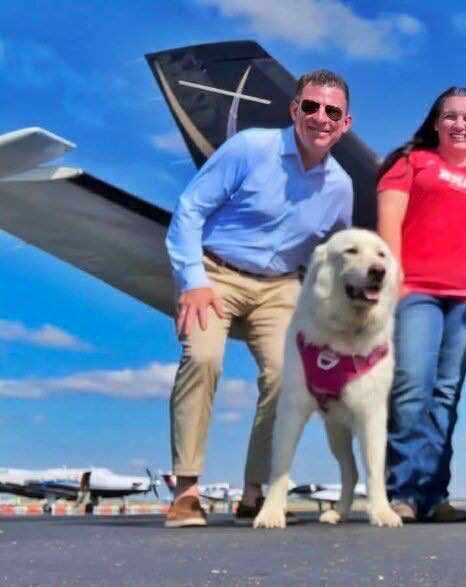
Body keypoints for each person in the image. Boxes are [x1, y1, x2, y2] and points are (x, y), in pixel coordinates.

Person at [163, 70, 355, 527]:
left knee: (287, 376)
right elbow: (190, 210)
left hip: (280, 286)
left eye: (332, 111)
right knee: (204, 358)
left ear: (345, 124)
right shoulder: (251, 148)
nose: (320, 118)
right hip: (215, 273)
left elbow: (333, 258)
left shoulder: (341, 187)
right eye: (311, 106)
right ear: (295, 110)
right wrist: (193, 280)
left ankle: (254, 490)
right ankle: (187, 490)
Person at [375, 87, 466, 522]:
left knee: (446, 392)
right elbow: (390, 222)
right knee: (412, 384)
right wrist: (393, 281)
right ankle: (401, 491)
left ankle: (434, 495)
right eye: (450, 116)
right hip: (415, 291)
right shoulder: (411, 163)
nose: (459, 124)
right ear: (435, 122)